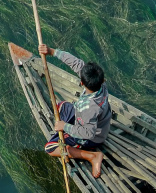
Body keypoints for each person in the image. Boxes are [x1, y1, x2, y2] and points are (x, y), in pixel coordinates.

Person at [38, 44, 110, 178]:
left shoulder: (90, 108)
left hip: (92, 137)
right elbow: (77, 63)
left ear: (82, 83)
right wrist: (52, 52)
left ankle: (92, 156)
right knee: (63, 106)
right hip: (87, 119)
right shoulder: (101, 84)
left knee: (50, 148)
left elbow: (88, 133)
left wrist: (65, 127)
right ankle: (66, 132)